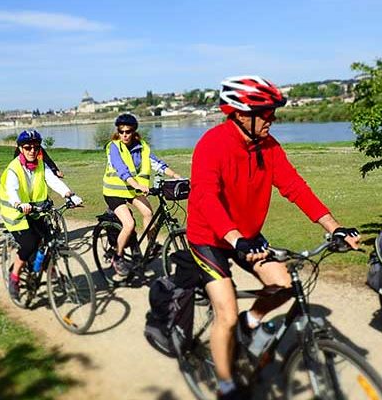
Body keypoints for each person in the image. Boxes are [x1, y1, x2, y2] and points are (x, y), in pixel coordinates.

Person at [186, 75, 360, 399]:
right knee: (225, 311)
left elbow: (294, 187)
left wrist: (333, 226)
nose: (272, 118)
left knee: (284, 285)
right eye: (265, 113)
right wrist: (236, 238)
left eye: (272, 112)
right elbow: (206, 198)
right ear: (240, 113)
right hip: (209, 237)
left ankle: (250, 321)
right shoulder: (212, 145)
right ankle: (226, 385)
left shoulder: (268, 146)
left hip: (247, 235)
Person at [0, 130, 82, 300]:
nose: (32, 151)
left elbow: (53, 180)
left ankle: (47, 268)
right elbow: (12, 190)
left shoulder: (40, 164)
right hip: (16, 215)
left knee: (49, 238)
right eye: (28, 147)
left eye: (36, 147)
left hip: (36, 212)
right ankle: (14, 277)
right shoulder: (13, 169)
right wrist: (19, 204)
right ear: (20, 148)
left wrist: (69, 195)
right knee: (30, 244)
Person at [102, 112, 181, 281]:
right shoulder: (114, 146)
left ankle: (151, 247)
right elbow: (121, 168)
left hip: (133, 191)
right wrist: (137, 184)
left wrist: (174, 175)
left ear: (134, 131)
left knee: (148, 214)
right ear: (118, 131)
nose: (124, 135)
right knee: (129, 224)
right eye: (121, 131)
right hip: (114, 192)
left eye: (128, 131)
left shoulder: (142, 147)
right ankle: (117, 255)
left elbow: (156, 163)